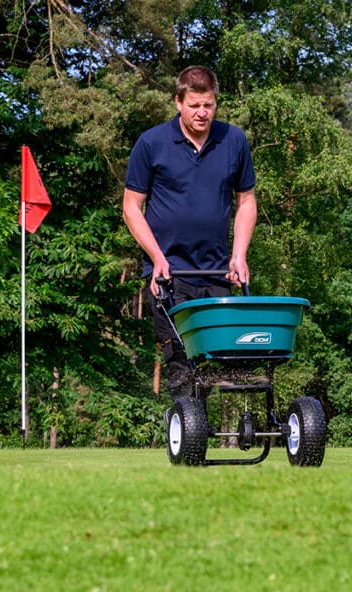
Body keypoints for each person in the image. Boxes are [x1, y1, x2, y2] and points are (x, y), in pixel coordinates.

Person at [122, 66, 257, 398]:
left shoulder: (234, 141)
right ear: (178, 102)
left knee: (221, 361)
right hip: (169, 273)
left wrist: (239, 255)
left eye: (208, 105)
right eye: (194, 105)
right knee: (181, 363)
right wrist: (156, 258)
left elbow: (247, 201)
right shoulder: (151, 143)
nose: (202, 113)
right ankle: (188, 434)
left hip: (217, 272)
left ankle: (203, 431)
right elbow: (130, 207)